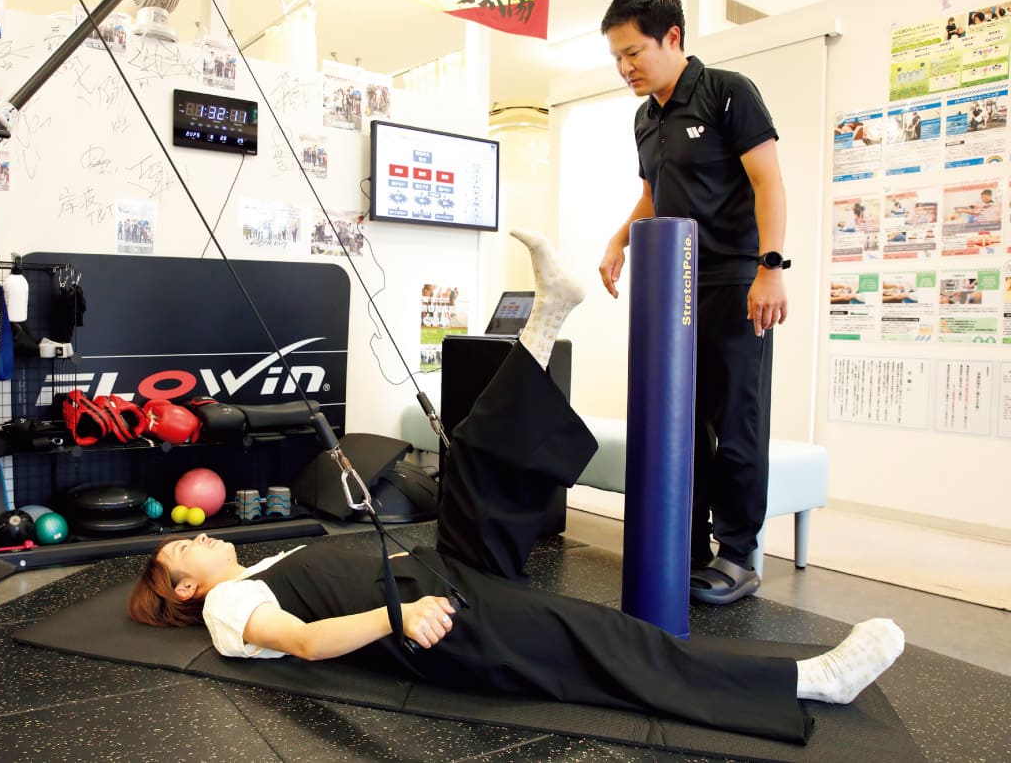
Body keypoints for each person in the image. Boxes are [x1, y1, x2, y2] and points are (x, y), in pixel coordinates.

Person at [128, 231, 905, 745]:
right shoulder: (228, 609)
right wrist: (399, 615)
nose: (202, 535)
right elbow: (304, 643)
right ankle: (810, 681)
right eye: (184, 550)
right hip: (435, 621)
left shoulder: (259, 568)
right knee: (608, 643)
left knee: (472, 455)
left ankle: (549, 312)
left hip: (439, 574)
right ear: (186, 589)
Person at [597, 0, 789, 605]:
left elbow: (768, 183)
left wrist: (771, 268)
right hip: (673, 289)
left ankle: (739, 556)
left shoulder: (728, 92)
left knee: (737, 426)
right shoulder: (645, 118)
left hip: (736, 284)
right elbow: (654, 196)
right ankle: (691, 546)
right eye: (617, 57)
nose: (625, 68)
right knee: (683, 423)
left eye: (633, 52)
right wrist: (619, 240)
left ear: (672, 37)